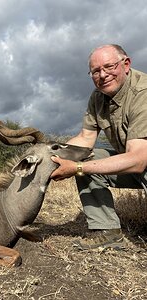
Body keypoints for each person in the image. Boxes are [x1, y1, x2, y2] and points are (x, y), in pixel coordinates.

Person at [50, 44, 147, 250]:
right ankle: (108, 231)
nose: (103, 75)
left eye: (109, 67)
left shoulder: (143, 93)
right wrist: (48, 152)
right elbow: (86, 138)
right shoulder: (97, 97)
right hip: (134, 160)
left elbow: (138, 160)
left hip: (140, 160)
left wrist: (76, 168)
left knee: (81, 165)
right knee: (85, 157)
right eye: (95, 71)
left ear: (126, 64)